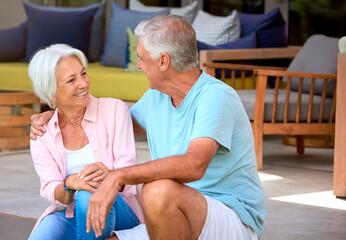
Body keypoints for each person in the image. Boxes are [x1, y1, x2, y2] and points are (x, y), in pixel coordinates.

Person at [31, 15, 266, 240]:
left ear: (163, 61)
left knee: (156, 190)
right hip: (173, 214)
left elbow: (194, 165)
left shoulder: (215, 96)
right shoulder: (158, 97)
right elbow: (111, 120)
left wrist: (117, 176)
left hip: (229, 217)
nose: (139, 65)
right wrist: (60, 111)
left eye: (142, 58)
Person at [27, 44, 144, 240]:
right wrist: (70, 184)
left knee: (89, 194)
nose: (83, 83)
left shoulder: (114, 110)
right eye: (71, 80)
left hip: (121, 211)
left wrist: (108, 177)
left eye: (83, 74)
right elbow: (50, 188)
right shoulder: (42, 133)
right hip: (70, 214)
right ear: (51, 93)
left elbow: (129, 175)